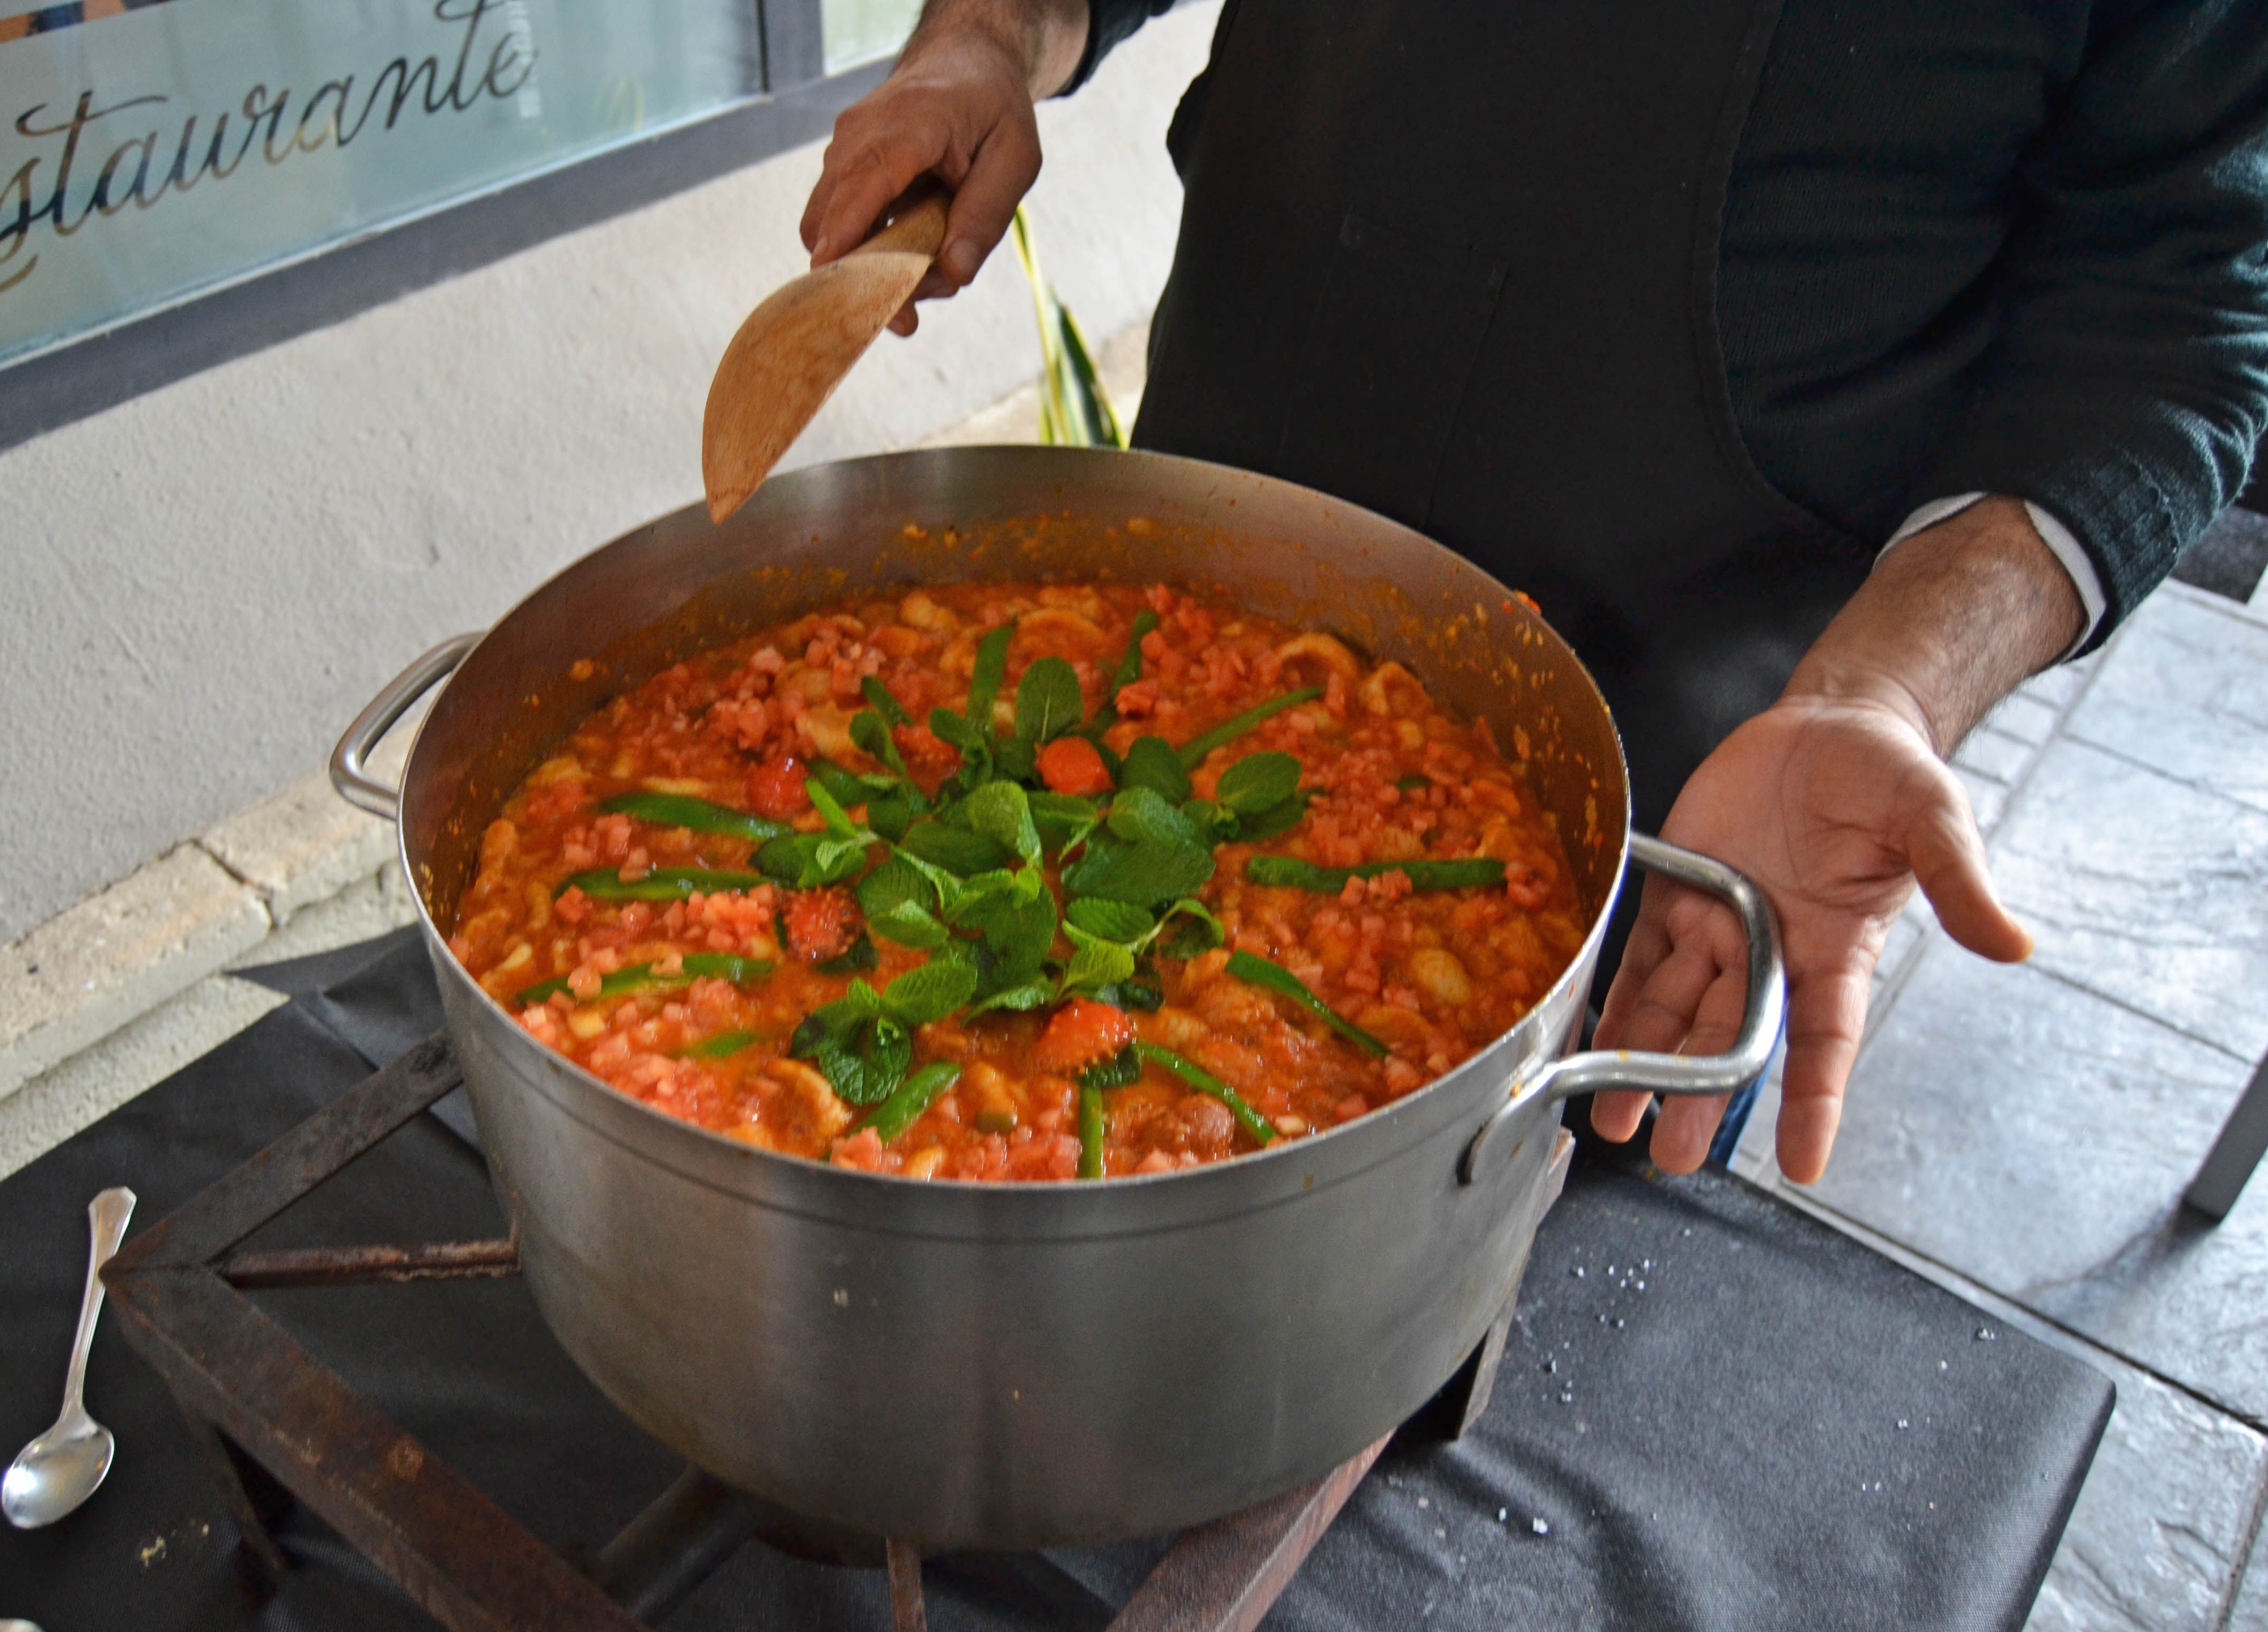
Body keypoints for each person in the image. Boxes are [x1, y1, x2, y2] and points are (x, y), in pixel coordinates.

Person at [798, 0, 2268, 1183]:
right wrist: (980, 38)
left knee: (1513, 1220)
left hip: (1688, 793)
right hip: (1182, 625)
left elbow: (2176, 325)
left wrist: (1888, 687)